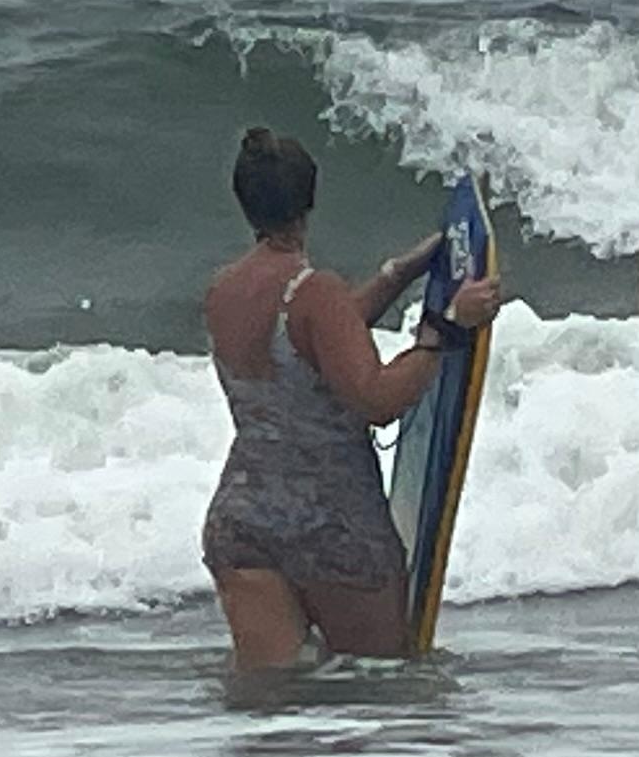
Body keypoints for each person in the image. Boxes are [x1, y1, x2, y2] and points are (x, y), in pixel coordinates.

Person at [198, 126, 504, 668]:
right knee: (380, 690)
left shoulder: (223, 289)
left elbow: (310, 345)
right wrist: (446, 326)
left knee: (271, 705)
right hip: (331, 525)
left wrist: (399, 273)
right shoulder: (314, 291)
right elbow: (378, 399)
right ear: (309, 199)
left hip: (243, 521)